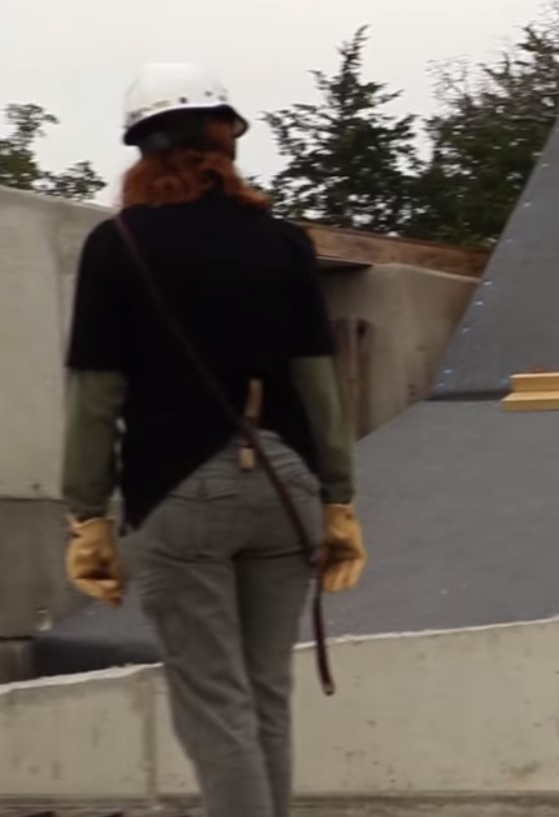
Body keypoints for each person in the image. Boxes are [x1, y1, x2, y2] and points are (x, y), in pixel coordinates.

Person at [59, 62, 368, 817]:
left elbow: (96, 395)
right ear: (226, 140)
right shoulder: (285, 244)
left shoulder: (117, 246)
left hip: (179, 490)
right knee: (266, 694)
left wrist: (88, 514)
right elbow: (319, 383)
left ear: (143, 151)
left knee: (215, 705)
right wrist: (339, 500)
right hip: (287, 488)